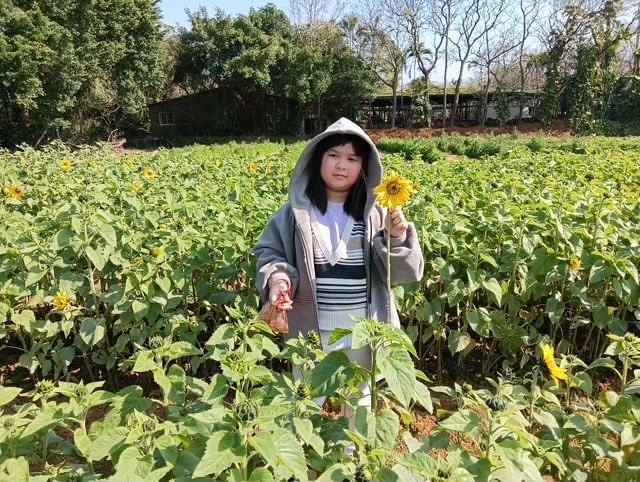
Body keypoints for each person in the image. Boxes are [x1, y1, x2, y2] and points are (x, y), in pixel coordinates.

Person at [252, 117, 424, 425]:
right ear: (317, 159)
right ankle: (304, 453)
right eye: (333, 155)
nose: (341, 165)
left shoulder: (377, 214)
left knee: (359, 407)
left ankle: (352, 456)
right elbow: (271, 253)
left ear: (364, 168)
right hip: (311, 334)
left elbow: (402, 273)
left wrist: (396, 237)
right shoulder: (294, 214)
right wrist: (278, 280)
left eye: (352, 159)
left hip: (364, 333)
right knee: (304, 405)